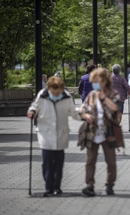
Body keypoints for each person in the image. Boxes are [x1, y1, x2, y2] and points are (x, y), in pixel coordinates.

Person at [27, 76, 81, 196]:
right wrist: (32, 112)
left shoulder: (66, 97)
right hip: (45, 134)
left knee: (58, 164)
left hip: (60, 134)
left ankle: (57, 187)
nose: (56, 94)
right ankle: (48, 187)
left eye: (58, 92)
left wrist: (84, 116)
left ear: (62, 89)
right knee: (47, 163)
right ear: (49, 88)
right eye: (53, 92)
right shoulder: (42, 95)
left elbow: (73, 112)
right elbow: (35, 106)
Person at [78, 68, 121, 196]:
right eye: (93, 81)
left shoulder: (113, 94)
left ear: (104, 81)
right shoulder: (91, 95)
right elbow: (82, 110)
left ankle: (110, 185)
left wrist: (103, 98)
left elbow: (115, 111)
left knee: (111, 162)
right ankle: (90, 185)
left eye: (96, 81)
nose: (94, 83)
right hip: (92, 132)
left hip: (108, 133)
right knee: (90, 160)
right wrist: (86, 116)